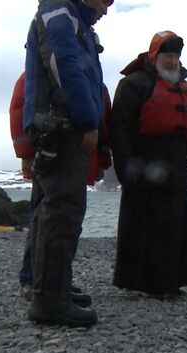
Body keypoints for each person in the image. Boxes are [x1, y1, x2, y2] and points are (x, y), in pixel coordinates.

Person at [23, 0, 112, 327]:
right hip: (61, 125)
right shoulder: (60, 12)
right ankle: (49, 301)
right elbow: (63, 64)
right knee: (63, 209)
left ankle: (49, 287)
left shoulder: (71, 18)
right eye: (105, 0)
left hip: (56, 123)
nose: (106, 7)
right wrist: (88, 120)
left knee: (52, 208)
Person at [109, 31, 187, 296]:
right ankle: (143, 283)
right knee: (145, 225)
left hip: (177, 168)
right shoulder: (134, 84)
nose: (173, 60)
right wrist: (125, 168)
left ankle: (174, 281)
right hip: (144, 166)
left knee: (176, 225)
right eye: (168, 55)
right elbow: (119, 129)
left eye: (176, 56)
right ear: (155, 56)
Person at [10, 73, 112, 302]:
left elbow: (102, 122)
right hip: (49, 157)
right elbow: (19, 111)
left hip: (79, 159)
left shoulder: (95, 81)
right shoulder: (35, 77)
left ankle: (58, 281)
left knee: (68, 223)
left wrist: (102, 159)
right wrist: (26, 153)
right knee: (43, 218)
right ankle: (31, 279)